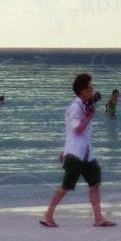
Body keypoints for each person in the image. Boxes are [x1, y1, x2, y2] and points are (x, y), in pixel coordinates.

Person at [40, 72, 113, 228]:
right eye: (90, 88)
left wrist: (63, 150)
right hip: (76, 154)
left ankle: (98, 218)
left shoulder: (84, 105)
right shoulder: (75, 107)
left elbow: (71, 132)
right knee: (66, 186)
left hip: (86, 153)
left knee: (94, 184)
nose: (92, 91)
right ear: (82, 91)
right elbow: (77, 129)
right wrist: (89, 116)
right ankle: (48, 215)